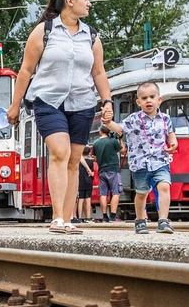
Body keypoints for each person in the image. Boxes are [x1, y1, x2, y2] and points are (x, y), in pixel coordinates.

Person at [6, 0, 114, 235]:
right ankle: (56, 217)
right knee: (60, 152)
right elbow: (26, 70)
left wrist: (107, 101)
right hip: (48, 100)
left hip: (82, 103)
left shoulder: (92, 35)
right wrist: (14, 105)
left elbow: (98, 72)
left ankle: (67, 219)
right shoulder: (45, 31)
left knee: (74, 160)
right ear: (70, 1)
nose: (89, 3)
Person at [101, 80, 177, 234]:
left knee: (164, 186)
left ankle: (163, 220)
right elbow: (119, 128)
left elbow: (170, 134)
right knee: (142, 192)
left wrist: (173, 143)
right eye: (144, 98)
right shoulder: (134, 119)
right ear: (138, 102)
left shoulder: (165, 119)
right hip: (140, 163)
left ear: (159, 100)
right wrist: (108, 122)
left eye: (152, 97)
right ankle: (140, 220)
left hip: (160, 160)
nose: (148, 100)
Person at [92, 125, 123, 222]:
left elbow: (95, 159)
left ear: (101, 132)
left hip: (102, 170)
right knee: (116, 193)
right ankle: (113, 216)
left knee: (103, 194)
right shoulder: (112, 141)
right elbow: (123, 150)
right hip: (113, 169)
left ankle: (104, 215)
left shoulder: (95, 143)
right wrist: (120, 140)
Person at [74, 145, 95, 223]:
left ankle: (79, 217)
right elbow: (92, 173)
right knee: (88, 199)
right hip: (88, 181)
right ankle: (88, 217)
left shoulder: (78, 162)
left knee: (80, 200)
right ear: (89, 152)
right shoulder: (90, 162)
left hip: (80, 182)